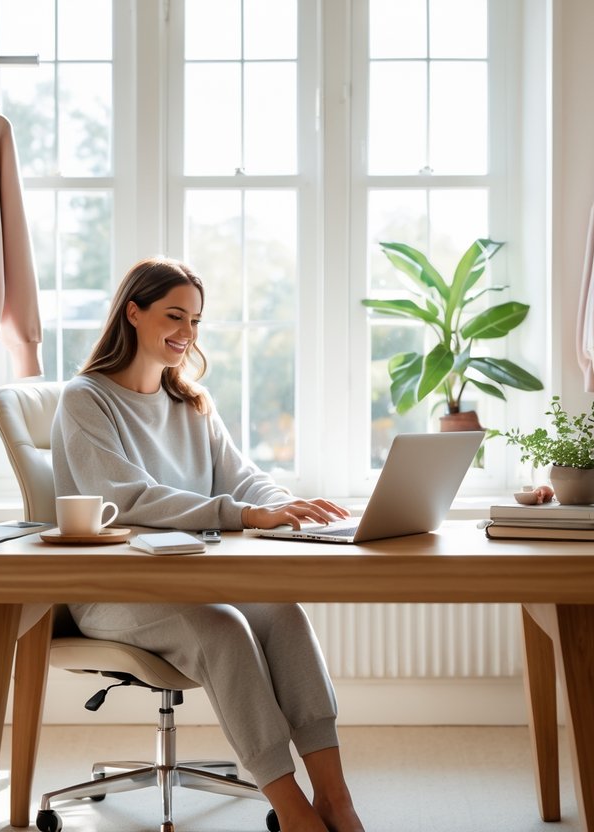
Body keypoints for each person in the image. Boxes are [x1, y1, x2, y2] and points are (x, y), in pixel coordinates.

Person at [50, 257, 366, 832]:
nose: (187, 333)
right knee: (221, 626)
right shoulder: (85, 399)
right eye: (175, 316)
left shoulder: (191, 402)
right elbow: (127, 496)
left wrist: (288, 506)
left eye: (195, 320)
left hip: (188, 582)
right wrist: (245, 514)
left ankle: (336, 800)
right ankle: (294, 813)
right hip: (110, 593)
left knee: (283, 614)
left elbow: (242, 478)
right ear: (133, 312)